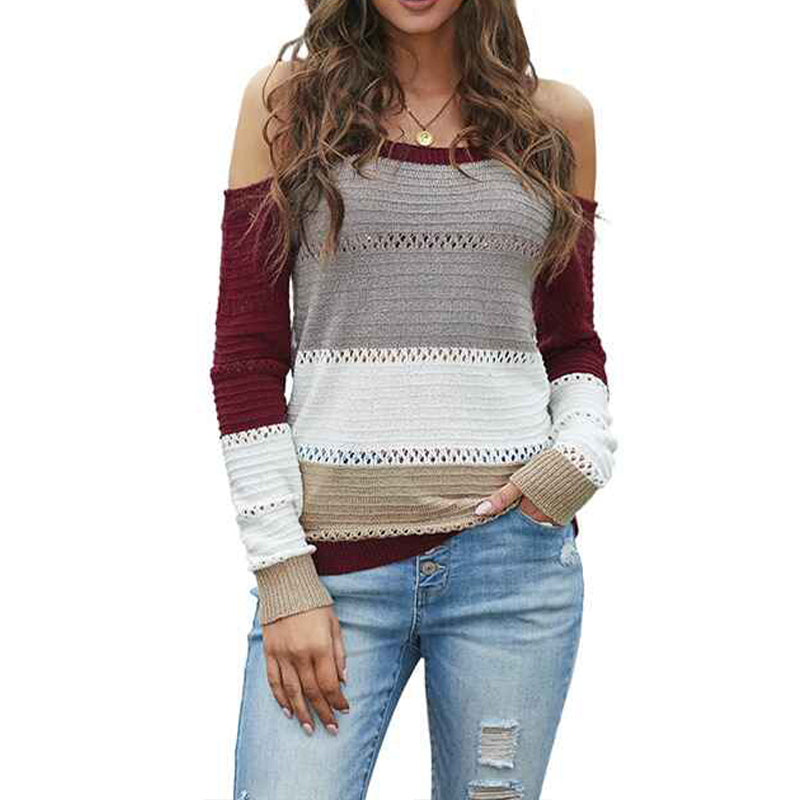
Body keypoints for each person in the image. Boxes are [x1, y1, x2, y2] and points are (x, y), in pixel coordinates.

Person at [209, 1, 618, 797]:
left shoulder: (555, 122)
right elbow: (247, 359)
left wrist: (577, 460)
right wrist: (283, 574)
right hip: (333, 573)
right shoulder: (287, 106)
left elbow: (570, 342)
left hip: (514, 571)